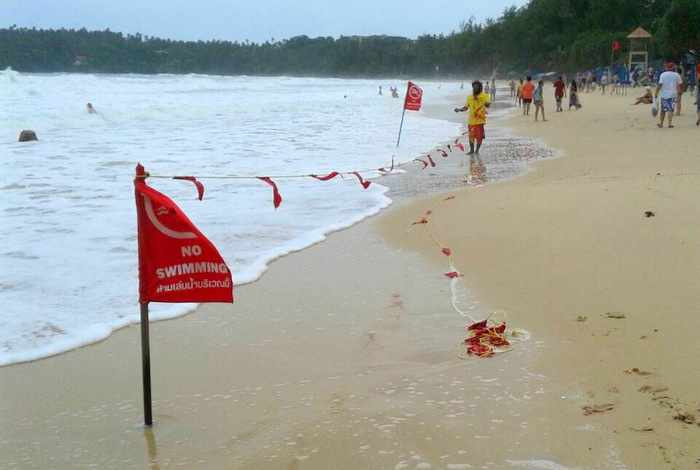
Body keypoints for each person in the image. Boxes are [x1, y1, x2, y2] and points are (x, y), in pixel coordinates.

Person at [454, 80, 491, 155]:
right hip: (471, 121)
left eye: (477, 87)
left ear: (480, 88)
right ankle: (471, 150)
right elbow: (466, 107)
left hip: (480, 120)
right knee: (471, 136)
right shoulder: (469, 97)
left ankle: (477, 150)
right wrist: (459, 109)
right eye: (474, 87)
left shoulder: (484, 96)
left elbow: (488, 105)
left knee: (479, 137)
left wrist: (485, 103)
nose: (475, 88)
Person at [655, 62, 683, 128]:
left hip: (664, 95)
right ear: (673, 68)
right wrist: (680, 91)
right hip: (673, 94)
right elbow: (680, 84)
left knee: (663, 110)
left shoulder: (663, 74)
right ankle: (669, 124)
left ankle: (661, 123)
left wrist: (656, 92)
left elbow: (660, 84)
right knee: (670, 109)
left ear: (667, 68)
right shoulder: (677, 75)